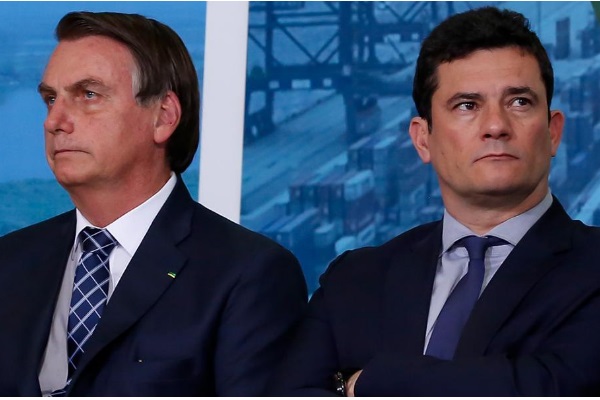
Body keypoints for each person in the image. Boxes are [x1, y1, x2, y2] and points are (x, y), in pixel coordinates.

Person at [273, 6, 600, 396]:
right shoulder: (354, 281)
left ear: (553, 132)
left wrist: (370, 382)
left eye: (519, 102)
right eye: (467, 105)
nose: (496, 125)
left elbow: (552, 388)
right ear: (422, 139)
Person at [0, 11, 307, 396]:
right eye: (50, 99)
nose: (54, 121)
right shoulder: (10, 261)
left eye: (88, 95)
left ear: (163, 117)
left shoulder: (248, 275)